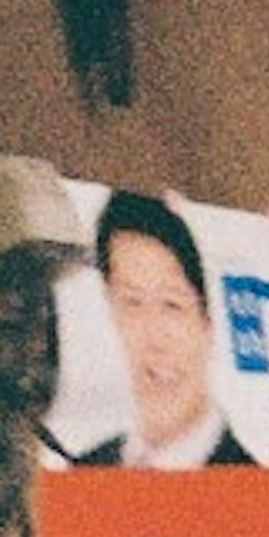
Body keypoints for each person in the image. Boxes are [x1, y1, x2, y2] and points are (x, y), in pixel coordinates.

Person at [67, 187, 252, 468]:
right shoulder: (83, 474)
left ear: (208, 327)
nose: (154, 336)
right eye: (132, 303)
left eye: (172, 305)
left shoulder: (260, 490)